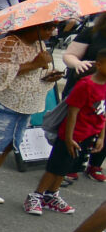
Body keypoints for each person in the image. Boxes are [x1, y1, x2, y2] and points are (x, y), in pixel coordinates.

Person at [0, 21, 62, 212]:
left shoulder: (39, 44)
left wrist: (49, 75)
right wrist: (34, 64)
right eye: (47, 28)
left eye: (53, 28)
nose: (51, 32)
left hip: (25, 105)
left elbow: (37, 72)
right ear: (33, 27)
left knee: (5, 148)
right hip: (1, 103)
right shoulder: (8, 43)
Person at [27, 53, 106, 214]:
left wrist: (101, 136)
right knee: (55, 167)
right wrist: (69, 138)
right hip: (72, 134)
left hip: (90, 134)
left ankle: (51, 195)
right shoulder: (85, 84)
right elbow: (72, 112)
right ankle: (36, 195)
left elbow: (103, 112)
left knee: (67, 167)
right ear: (99, 64)